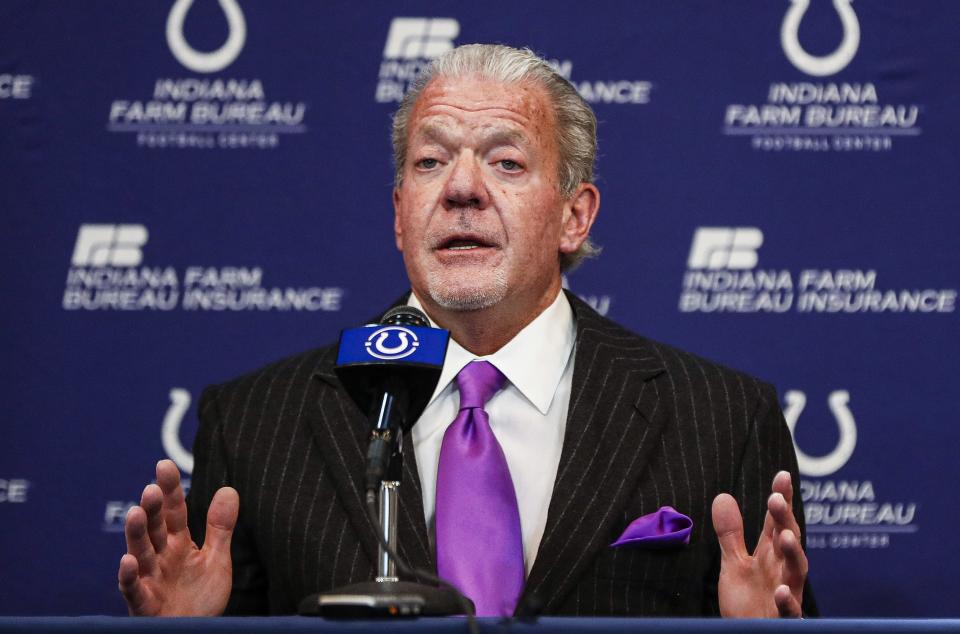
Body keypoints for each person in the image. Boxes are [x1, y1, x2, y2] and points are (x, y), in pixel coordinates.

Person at [118, 44, 814, 618]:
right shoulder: (255, 423)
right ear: (400, 213)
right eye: (430, 162)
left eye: (506, 162)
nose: (461, 188)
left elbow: (780, 611)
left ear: (576, 215)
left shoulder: (723, 420)